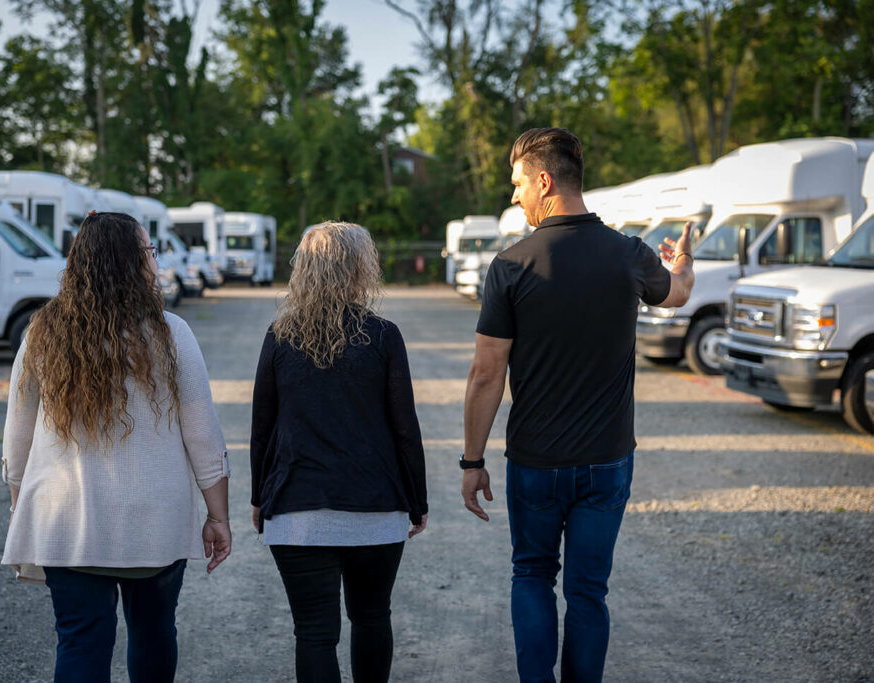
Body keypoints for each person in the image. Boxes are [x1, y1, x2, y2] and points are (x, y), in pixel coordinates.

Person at [460, 128, 695, 683]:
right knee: (589, 592)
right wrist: (683, 261)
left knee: (533, 576)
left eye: (518, 183)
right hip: (607, 461)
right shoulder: (628, 254)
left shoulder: (511, 265)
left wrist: (472, 462)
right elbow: (679, 293)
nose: (514, 196)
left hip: (536, 463)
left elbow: (486, 373)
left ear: (545, 181)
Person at [0, 211, 231, 683]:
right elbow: (203, 434)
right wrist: (218, 516)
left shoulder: (41, 334)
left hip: (66, 522)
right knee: (153, 633)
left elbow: (17, 435)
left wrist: (20, 505)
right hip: (154, 524)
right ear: (131, 262)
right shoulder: (170, 334)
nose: (154, 260)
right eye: (148, 251)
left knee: (81, 640)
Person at [250, 221, 428, 683]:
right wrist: (417, 501)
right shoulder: (384, 336)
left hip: (295, 509)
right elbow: (405, 428)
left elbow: (262, 430)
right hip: (375, 507)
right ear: (360, 269)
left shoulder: (279, 335)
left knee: (313, 633)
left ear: (303, 270)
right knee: (372, 618)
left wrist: (259, 498)